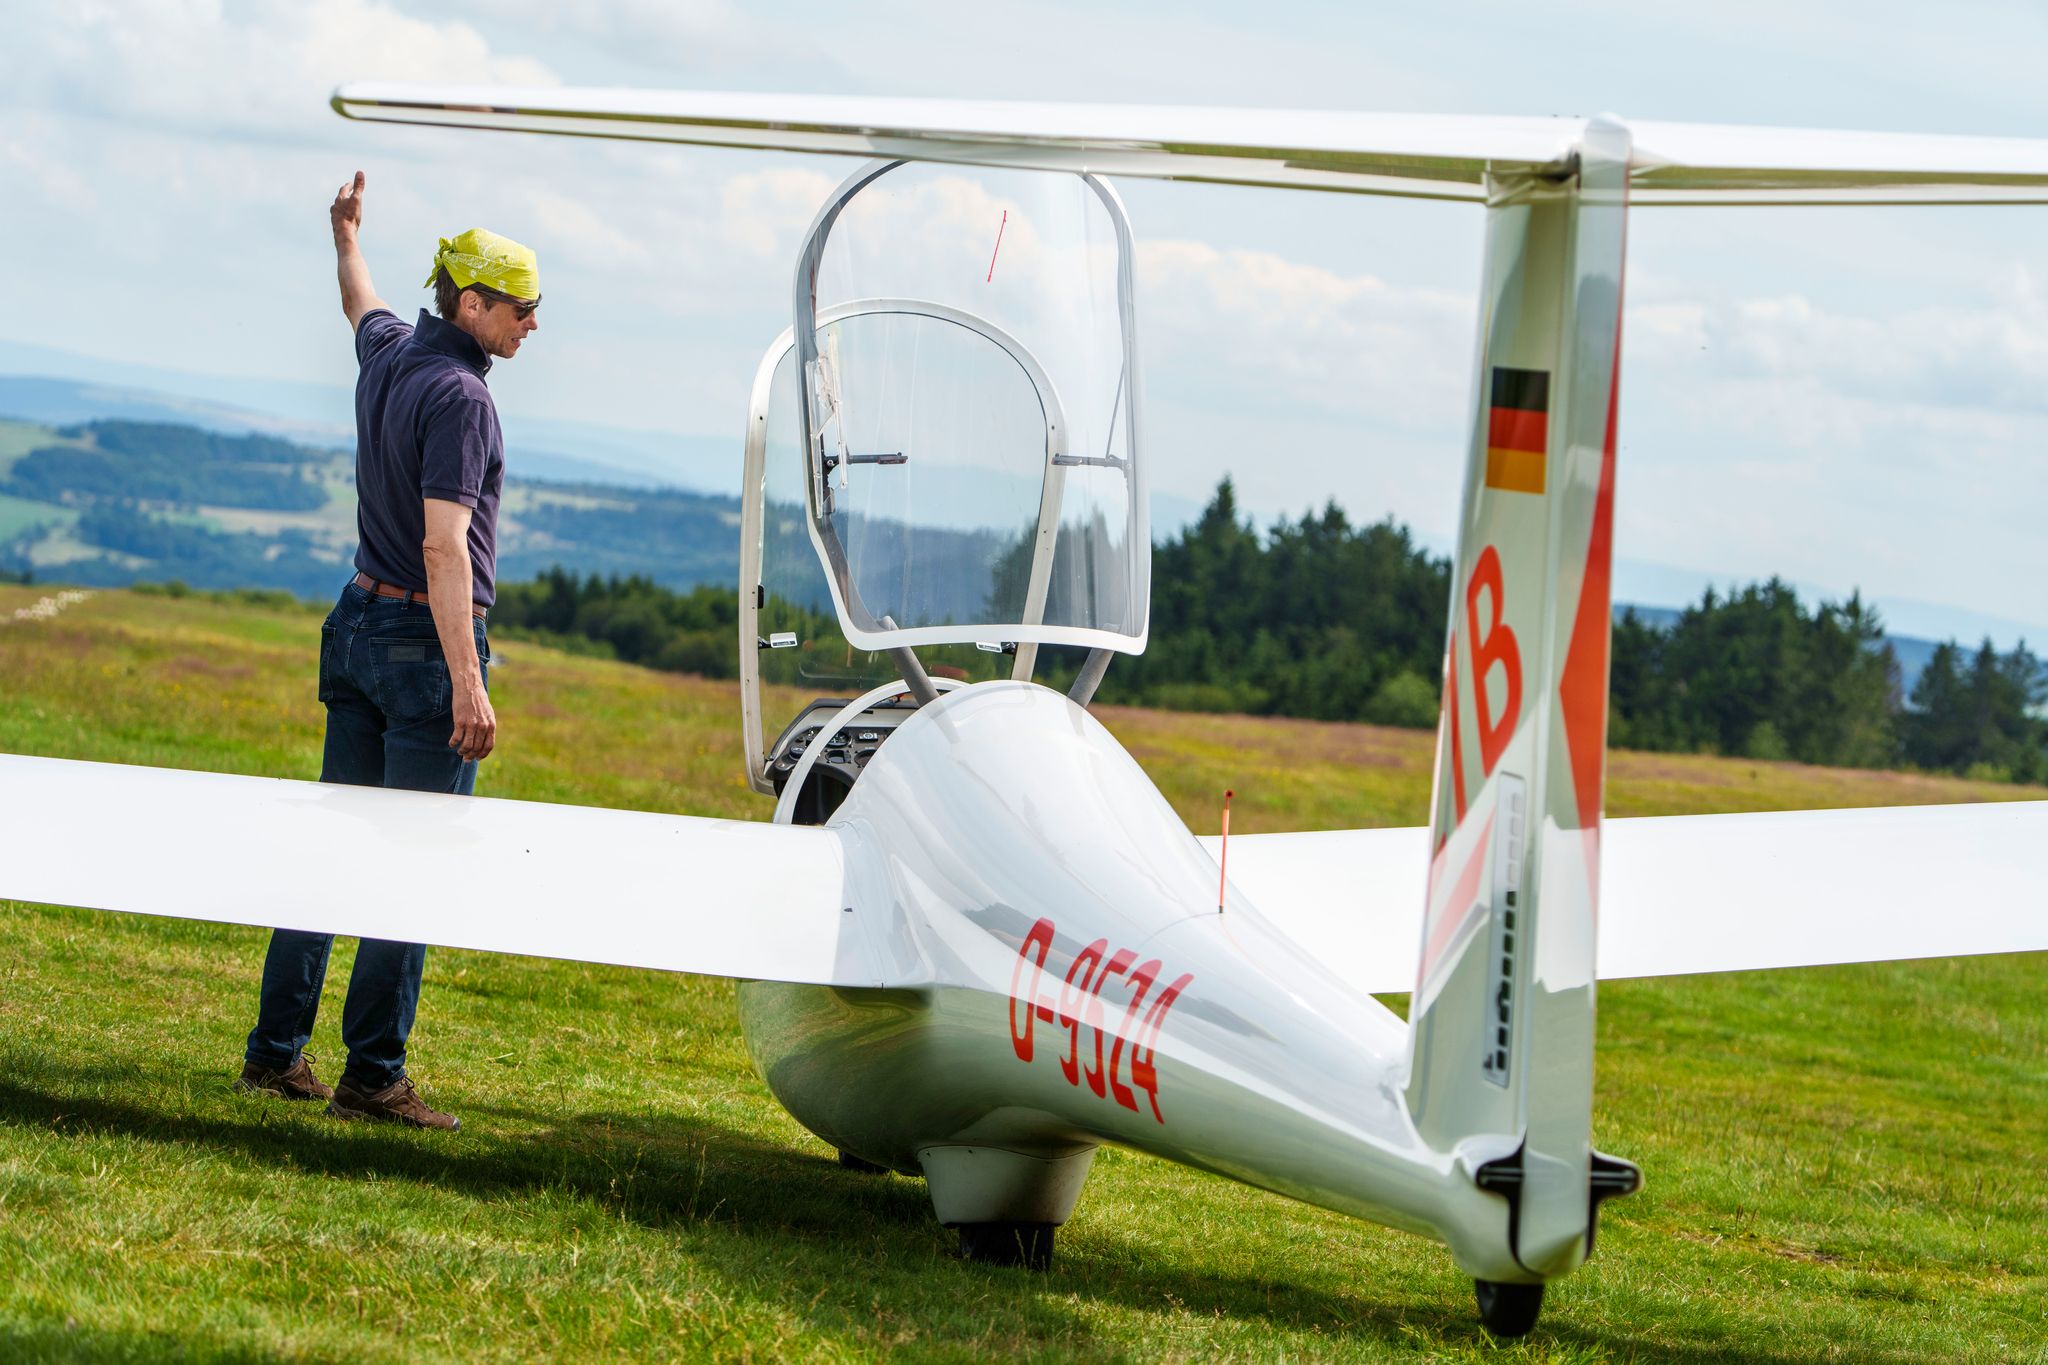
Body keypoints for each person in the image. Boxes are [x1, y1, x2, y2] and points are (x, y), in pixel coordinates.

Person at [236, 171, 541, 1130]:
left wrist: (345, 235)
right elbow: (444, 545)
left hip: (357, 626)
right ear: (474, 301)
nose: (533, 326)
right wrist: (468, 683)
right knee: (412, 863)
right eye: (523, 309)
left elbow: (358, 301)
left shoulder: (393, 355)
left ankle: (275, 1054)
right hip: (419, 640)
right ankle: (373, 1075)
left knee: (334, 845)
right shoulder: (462, 399)